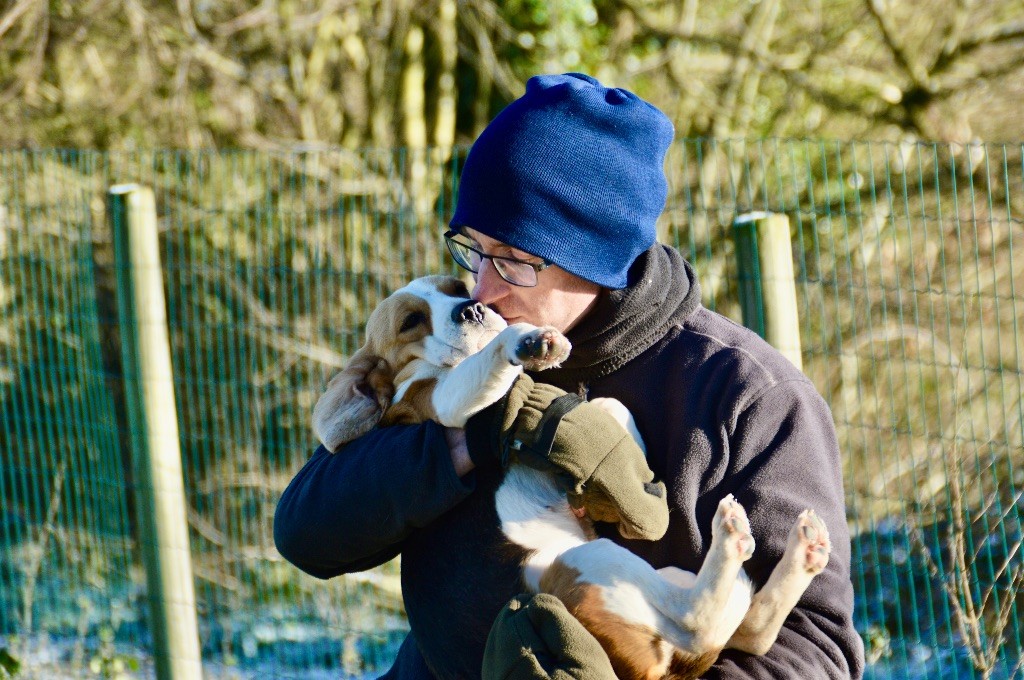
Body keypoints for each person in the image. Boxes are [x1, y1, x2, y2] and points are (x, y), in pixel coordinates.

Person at [275, 72, 865, 679]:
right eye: (472, 250)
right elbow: (306, 531)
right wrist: (467, 441)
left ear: (597, 261)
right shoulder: (466, 352)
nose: (481, 287)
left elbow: (813, 650)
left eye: (513, 261)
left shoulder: (745, 396)